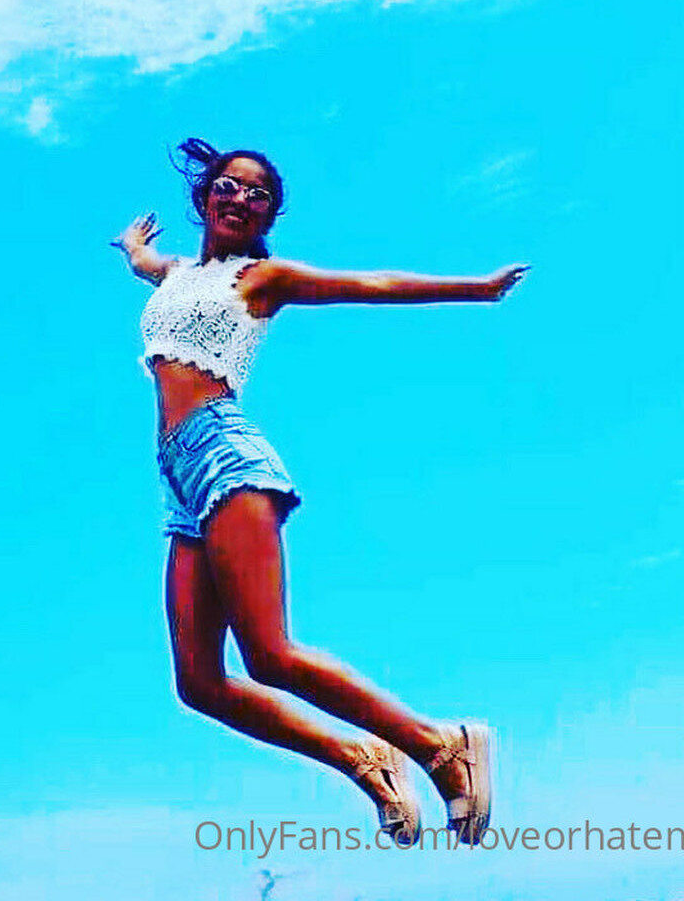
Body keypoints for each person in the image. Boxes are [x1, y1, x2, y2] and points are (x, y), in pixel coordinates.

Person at [111, 137, 528, 846]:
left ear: (269, 215)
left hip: (224, 453)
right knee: (200, 684)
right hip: (176, 478)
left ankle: (440, 744)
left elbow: (373, 284)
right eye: (229, 185)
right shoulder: (175, 274)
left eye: (259, 194)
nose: (241, 198)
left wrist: (476, 288)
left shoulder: (263, 278)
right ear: (205, 197)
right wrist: (132, 247)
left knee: (269, 653)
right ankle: (363, 760)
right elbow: (146, 265)